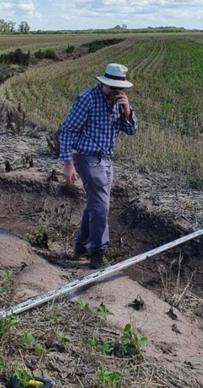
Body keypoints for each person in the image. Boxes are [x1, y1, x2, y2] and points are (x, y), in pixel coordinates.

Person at [59, 63, 138, 269]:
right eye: (112, 88)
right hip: (87, 157)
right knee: (102, 205)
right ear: (103, 83)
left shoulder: (119, 103)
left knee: (95, 204)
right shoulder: (88, 99)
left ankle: (81, 247)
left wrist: (127, 110)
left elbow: (131, 131)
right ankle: (97, 252)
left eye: (120, 89)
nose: (116, 92)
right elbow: (66, 130)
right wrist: (68, 163)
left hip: (106, 159)